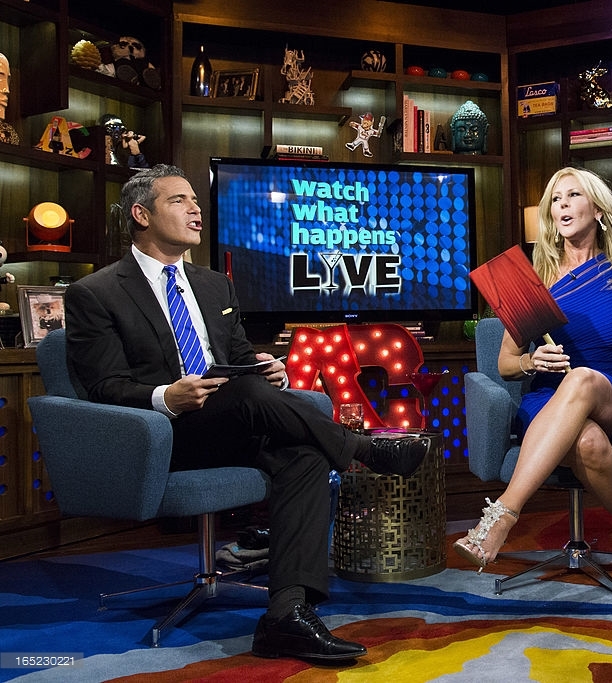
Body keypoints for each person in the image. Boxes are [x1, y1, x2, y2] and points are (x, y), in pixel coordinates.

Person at [64, 164, 431, 663]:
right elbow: (103, 386)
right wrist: (167, 396)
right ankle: (364, 448)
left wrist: (266, 366)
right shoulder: (97, 292)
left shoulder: (215, 285)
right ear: (141, 215)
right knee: (249, 396)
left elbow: (237, 357)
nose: (196, 209)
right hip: (161, 434)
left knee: (303, 454)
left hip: (231, 420)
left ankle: (286, 615)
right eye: (179, 200)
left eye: (196, 200)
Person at [452, 166, 612, 601]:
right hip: (547, 399)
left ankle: (502, 515)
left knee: (581, 379)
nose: (562, 205)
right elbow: (505, 364)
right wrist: (530, 360)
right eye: (555, 199)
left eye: (572, 195)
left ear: (597, 209)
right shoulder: (535, 278)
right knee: (587, 442)